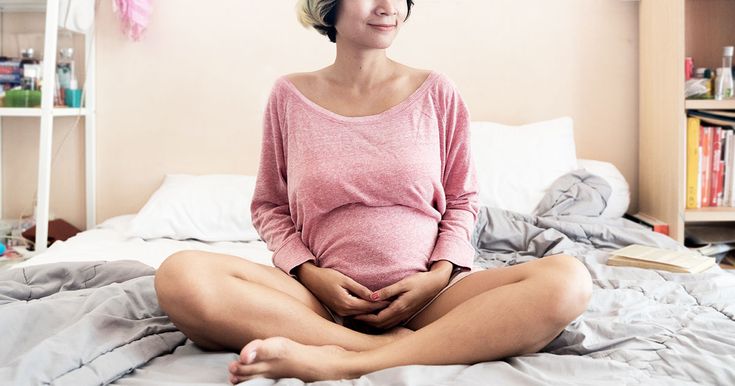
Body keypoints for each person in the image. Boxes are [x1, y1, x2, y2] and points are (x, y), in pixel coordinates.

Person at [154, 0, 593, 383]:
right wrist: (310, 274)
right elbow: (269, 205)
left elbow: (462, 201)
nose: (389, 6)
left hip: (430, 297)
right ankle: (354, 346)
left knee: (568, 280)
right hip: (317, 303)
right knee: (180, 274)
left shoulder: (437, 92)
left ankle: (336, 363)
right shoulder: (290, 96)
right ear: (329, 5)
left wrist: (437, 276)